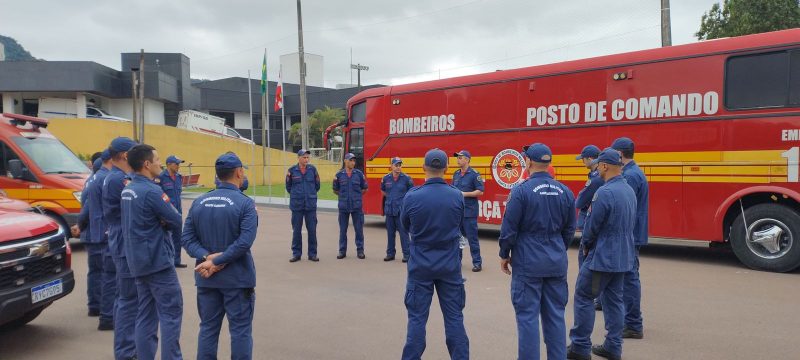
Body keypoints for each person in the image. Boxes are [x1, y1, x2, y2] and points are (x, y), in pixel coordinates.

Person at [499, 143, 576, 360]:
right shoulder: (566, 192)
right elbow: (570, 229)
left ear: (529, 162)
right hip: (556, 260)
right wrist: (557, 247)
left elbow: (509, 229)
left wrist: (504, 254)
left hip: (528, 262)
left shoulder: (520, 191)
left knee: (527, 318)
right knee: (555, 316)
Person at [182, 152, 258, 360]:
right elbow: (244, 242)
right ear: (239, 172)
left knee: (208, 329)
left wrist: (207, 258)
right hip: (237, 279)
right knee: (241, 331)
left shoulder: (200, 202)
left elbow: (187, 239)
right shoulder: (245, 203)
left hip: (207, 279)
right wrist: (215, 260)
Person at [567, 148, 637, 360]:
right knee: (614, 300)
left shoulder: (604, 193)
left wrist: (586, 246)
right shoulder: (628, 190)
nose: (597, 168)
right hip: (623, 256)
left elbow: (591, 227)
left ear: (605, 166)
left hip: (602, 257)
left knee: (584, 296)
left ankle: (579, 346)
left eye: (599, 165)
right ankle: (613, 346)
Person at [400, 148, 469, 360]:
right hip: (449, 265)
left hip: (421, 265)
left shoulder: (412, 196)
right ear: (447, 169)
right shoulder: (457, 196)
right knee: (454, 318)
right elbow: (461, 226)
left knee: (417, 320)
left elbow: (405, 225)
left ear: (423, 168)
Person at [121, 144, 184, 360]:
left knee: (146, 315)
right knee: (171, 315)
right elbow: (176, 219)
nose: (160, 163)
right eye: (156, 160)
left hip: (138, 262)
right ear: (147, 164)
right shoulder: (151, 190)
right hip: (157, 262)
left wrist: (159, 220)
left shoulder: (128, 188)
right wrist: (162, 222)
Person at [102, 136, 138, 359]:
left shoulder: (113, 176)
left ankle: (125, 349)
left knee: (124, 297)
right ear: (125, 155)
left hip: (119, 238)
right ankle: (126, 352)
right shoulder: (119, 179)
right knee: (128, 300)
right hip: (124, 241)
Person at [611, 137, 649, 340]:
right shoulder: (634, 172)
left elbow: (624, 207)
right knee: (628, 277)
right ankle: (630, 321)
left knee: (629, 278)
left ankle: (633, 324)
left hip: (629, 235)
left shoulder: (631, 176)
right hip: (632, 234)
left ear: (619, 154)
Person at [574, 144, 604, 311]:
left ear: (590, 159)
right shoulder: (599, 175)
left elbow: (580, 201)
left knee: (585, 261)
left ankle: (590, 296)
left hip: (590, 225)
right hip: (595, 224)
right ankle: (598, 298)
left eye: (583, 159)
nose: (582, 162)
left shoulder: (595, 178)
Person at [89, 149, 115, 331]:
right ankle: (107, 316)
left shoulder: (95, 178)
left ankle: (96, 307)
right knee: (109, 276)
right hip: (105, 233)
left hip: (97, 231)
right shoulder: (107, 178)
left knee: (99, 273)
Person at [75, 151, 103, 318]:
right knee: (99, 272)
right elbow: (87, 209)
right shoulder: (96, 183)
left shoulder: (90, 181)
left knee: (95, 271)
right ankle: (95, 306)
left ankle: (95, 305)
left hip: (92, 232)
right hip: (95, 234)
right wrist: (79, 224)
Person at [452, 150, 484, 272]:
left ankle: (477, 262)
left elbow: (480, 191)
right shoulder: (456, 174)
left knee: (472, 239)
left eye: (460, 158)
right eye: (458, 158)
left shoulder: (474, 174)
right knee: (457, 238)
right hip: (457, 212)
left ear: (467, 159)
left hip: (469, 212)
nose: (458, 160)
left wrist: (464, 194)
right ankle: (456, 262)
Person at [286, 149, 320, 262]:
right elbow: (289, 187)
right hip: (297, 205)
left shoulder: (313, 170)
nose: (306, 159)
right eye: (304, 157)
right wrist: (298, 195)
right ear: (299, 158)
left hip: (310, 205)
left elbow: (317, 186)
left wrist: (309, 195)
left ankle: (312, 254)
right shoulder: (292, 170)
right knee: (296, 231)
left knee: (312, 230)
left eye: (307, 157)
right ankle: (296, 254)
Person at [333, 153, 368, 259]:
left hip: (356, 206)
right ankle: (342, 251)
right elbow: (335, 190)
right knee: (343, 230)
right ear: (345, 161)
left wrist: (355, 197)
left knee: (359, 230)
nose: (353, 162)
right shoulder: (338, 175)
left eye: (354, 161)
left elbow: (364, 188)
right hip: (343, 206)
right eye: (350, 160)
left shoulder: (359, 174)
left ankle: (360, 251)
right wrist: (344, 196)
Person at [381, 157, 414, 262]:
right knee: (390, 233)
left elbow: (410, 194)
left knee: (403, 233)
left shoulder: (406, 179)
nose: (398, 167)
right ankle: (390, 254)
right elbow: (383, 191)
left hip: (401, 211)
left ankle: (407, 255)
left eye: (400, 165)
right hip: (389, 210)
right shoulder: (386, 178)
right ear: (391, 166)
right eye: (396, 165)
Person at [157, 155, 187, 268]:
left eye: (179, 164)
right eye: (176, 164)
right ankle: (165, 261)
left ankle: (176, 261)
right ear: (169, 164)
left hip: (177, 212)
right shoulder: (161, 177)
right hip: (166, 213)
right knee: (165, 237)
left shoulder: (179, 177)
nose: (178, 166)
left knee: (178, 238)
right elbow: (158, 195)